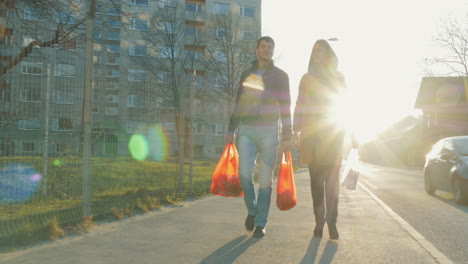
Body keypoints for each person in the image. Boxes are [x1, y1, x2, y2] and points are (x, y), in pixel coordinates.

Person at [227, 36, 292, 238]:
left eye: (269, 47)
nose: (266, 49)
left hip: (269, 131)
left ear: (273, 51)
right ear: (256, 50)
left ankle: (261, 223)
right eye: (262, 46)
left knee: (265, 181)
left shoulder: (281, 76)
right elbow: (240, 101)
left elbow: (286, 106)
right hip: (246, 129)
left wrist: (287, 135)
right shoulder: (247, 73)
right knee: (244, 174)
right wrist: (231, 129)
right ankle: (252, 210)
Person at [293, 39, 358, 240]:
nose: (316, 54)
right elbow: (300, 104)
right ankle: (319, 220)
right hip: (312, 136)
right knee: (316, 183)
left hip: (333, 135)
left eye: (320, 50)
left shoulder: (339, 77)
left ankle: (332, 221)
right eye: (314, 51)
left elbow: (347, 105)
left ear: (328, 54)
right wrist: (295, 130)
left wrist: (354, 134)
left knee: (331, 183)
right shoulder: (306, 78)